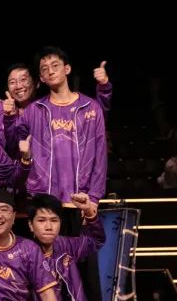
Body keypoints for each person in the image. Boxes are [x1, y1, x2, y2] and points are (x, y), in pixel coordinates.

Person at [10, 46, 109, 233]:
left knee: (78, 250)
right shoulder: (34, 110)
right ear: (41, 78)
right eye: (44, 68)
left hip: (80, 200)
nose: (50, 71)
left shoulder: (91, 108)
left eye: (55, 65)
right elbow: (13, 143)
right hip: (44, 202)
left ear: (67, 69)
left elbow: (100, 156)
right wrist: (9, 117)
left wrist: (94, 198)